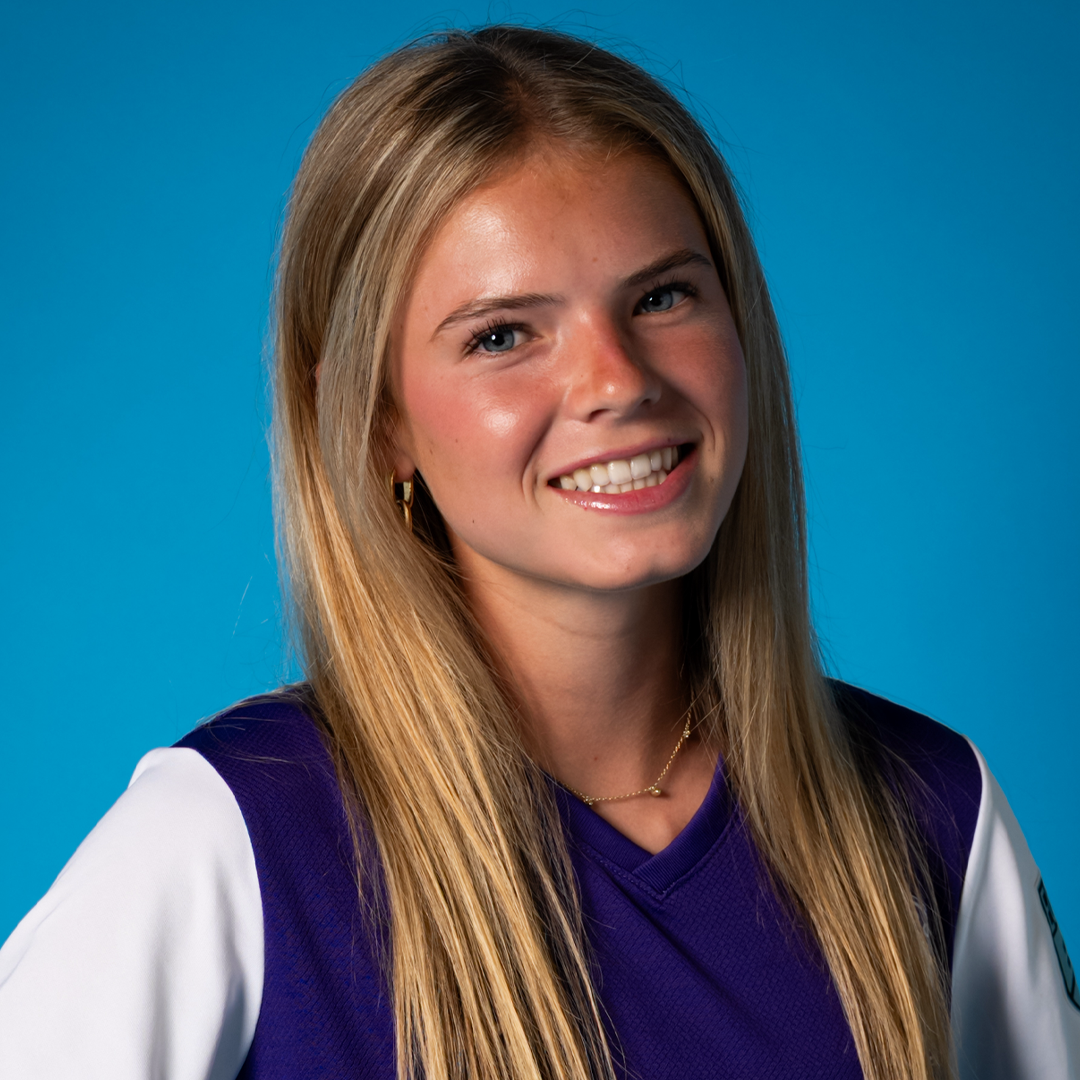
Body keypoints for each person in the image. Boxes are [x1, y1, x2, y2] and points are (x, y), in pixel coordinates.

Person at [0, 24, 1076, 1080]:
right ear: (376, 421)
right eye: (504, 335)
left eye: (662, 296)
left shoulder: (935, 811)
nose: (618, 380)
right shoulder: (228, 841)